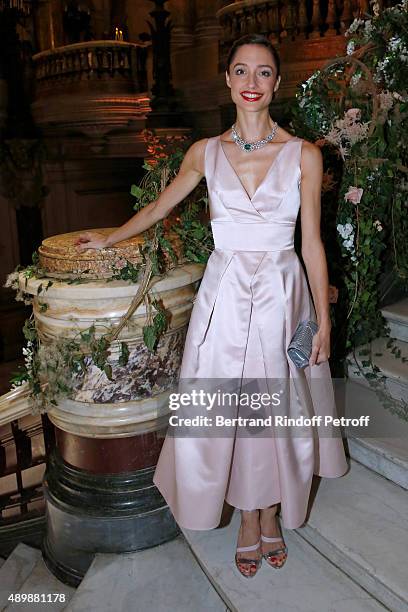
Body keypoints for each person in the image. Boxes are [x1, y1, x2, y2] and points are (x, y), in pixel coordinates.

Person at [76, 33, 349, 579]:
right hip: (222, 302)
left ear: (277, 82)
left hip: (281, 295)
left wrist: (322, 319)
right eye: (242, 71)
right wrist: (111, 239)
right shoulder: (203, 153)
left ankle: (269, 513)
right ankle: (250, 519)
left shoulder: (304, 156)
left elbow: (313, 243)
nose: (252, 83)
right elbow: (159, 207)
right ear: (227, 79)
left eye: (264, 72)